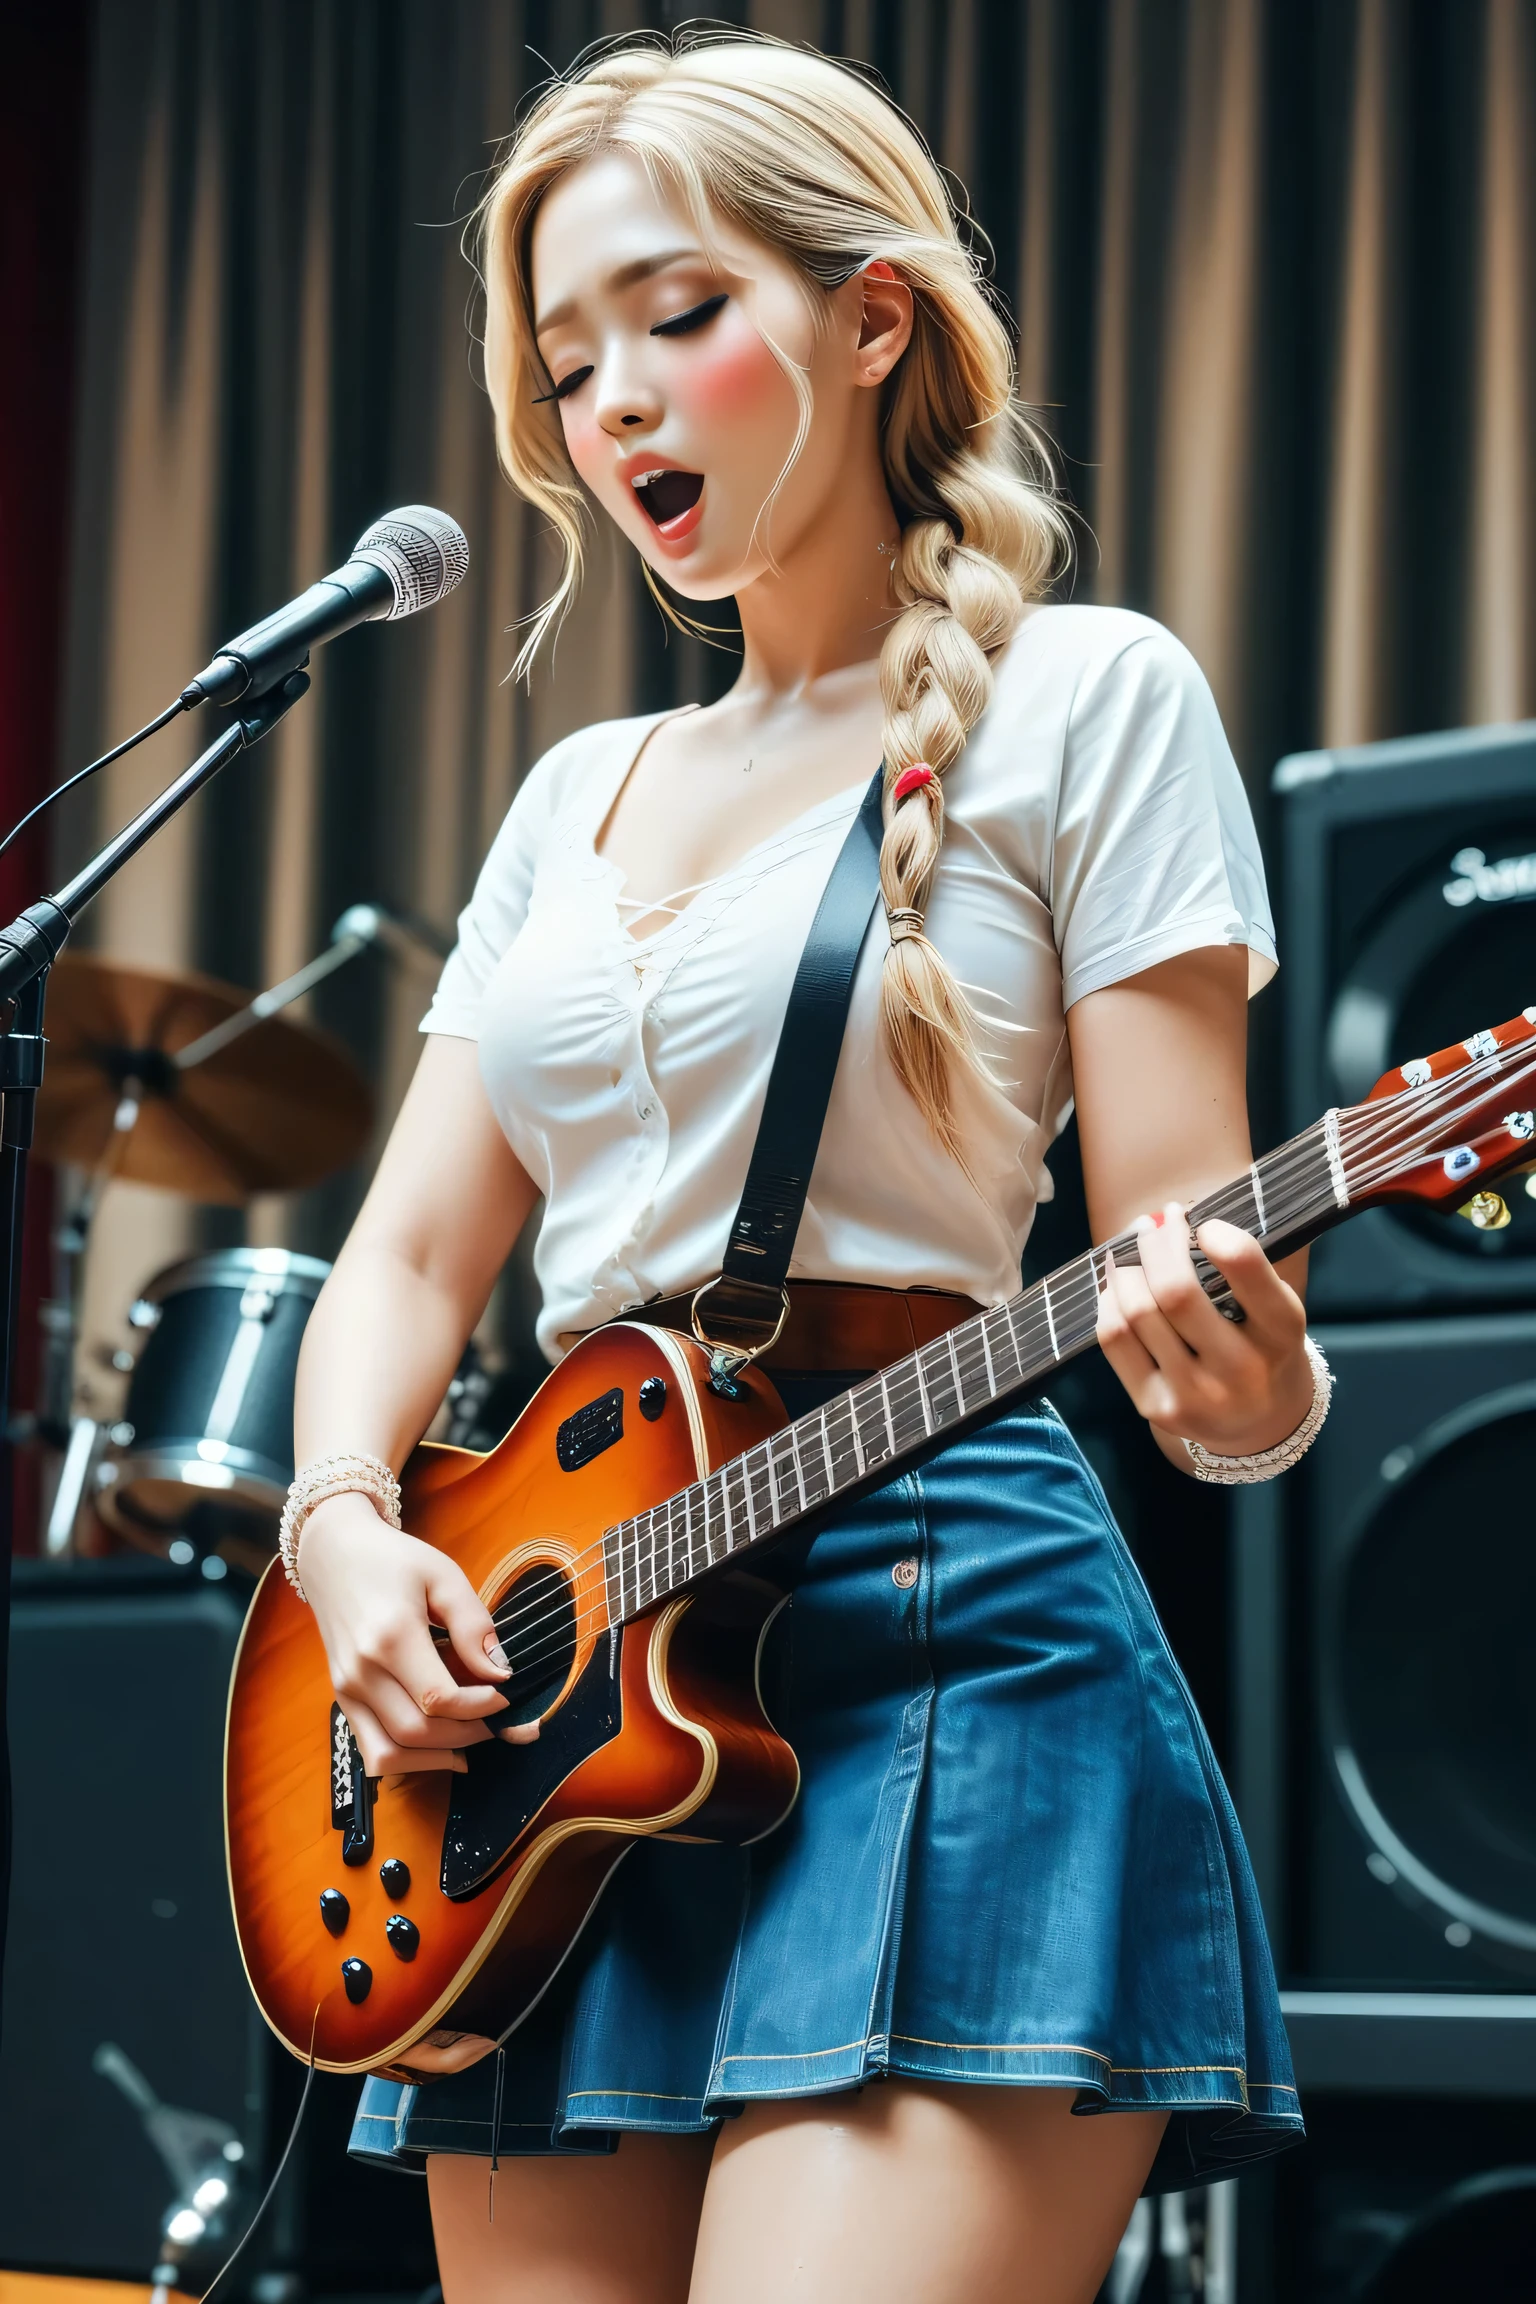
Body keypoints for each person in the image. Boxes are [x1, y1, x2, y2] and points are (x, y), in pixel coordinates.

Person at [289, 31, 1309, 2303]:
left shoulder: (1091, 696)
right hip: (565, 1711)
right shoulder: (572, 801)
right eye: (569, 365)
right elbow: (405, 1261)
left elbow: (1204, 1270)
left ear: (874, 320)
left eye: (677, 315)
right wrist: (347, 1529)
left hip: (945, 1638)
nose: (619, 400)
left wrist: (1244, 1386)